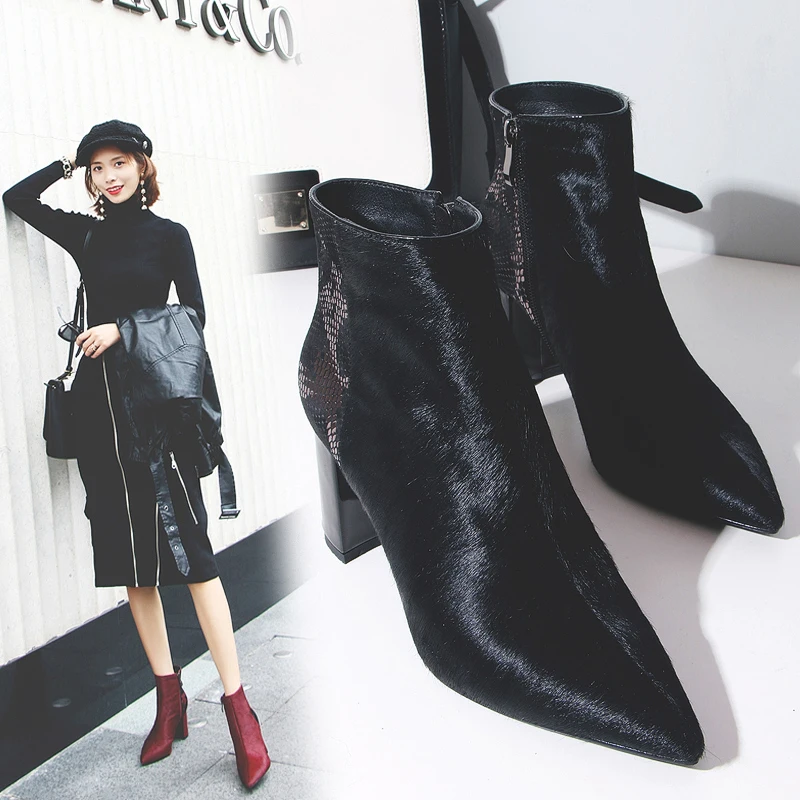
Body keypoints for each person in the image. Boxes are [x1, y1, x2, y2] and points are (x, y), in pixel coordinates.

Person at [3, 121, 269, 790]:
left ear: (142, 166)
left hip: (157, 413)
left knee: (195, 559)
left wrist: (123, 329)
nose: (108, 176)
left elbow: (195, 317)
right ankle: (168, 698)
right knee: (131, 563)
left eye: (119, 162)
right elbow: (16, 199)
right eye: (98, 168)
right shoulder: (87, 235)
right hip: (100, 416)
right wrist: (66, 162)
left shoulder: (170, 235)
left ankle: (239, 710)